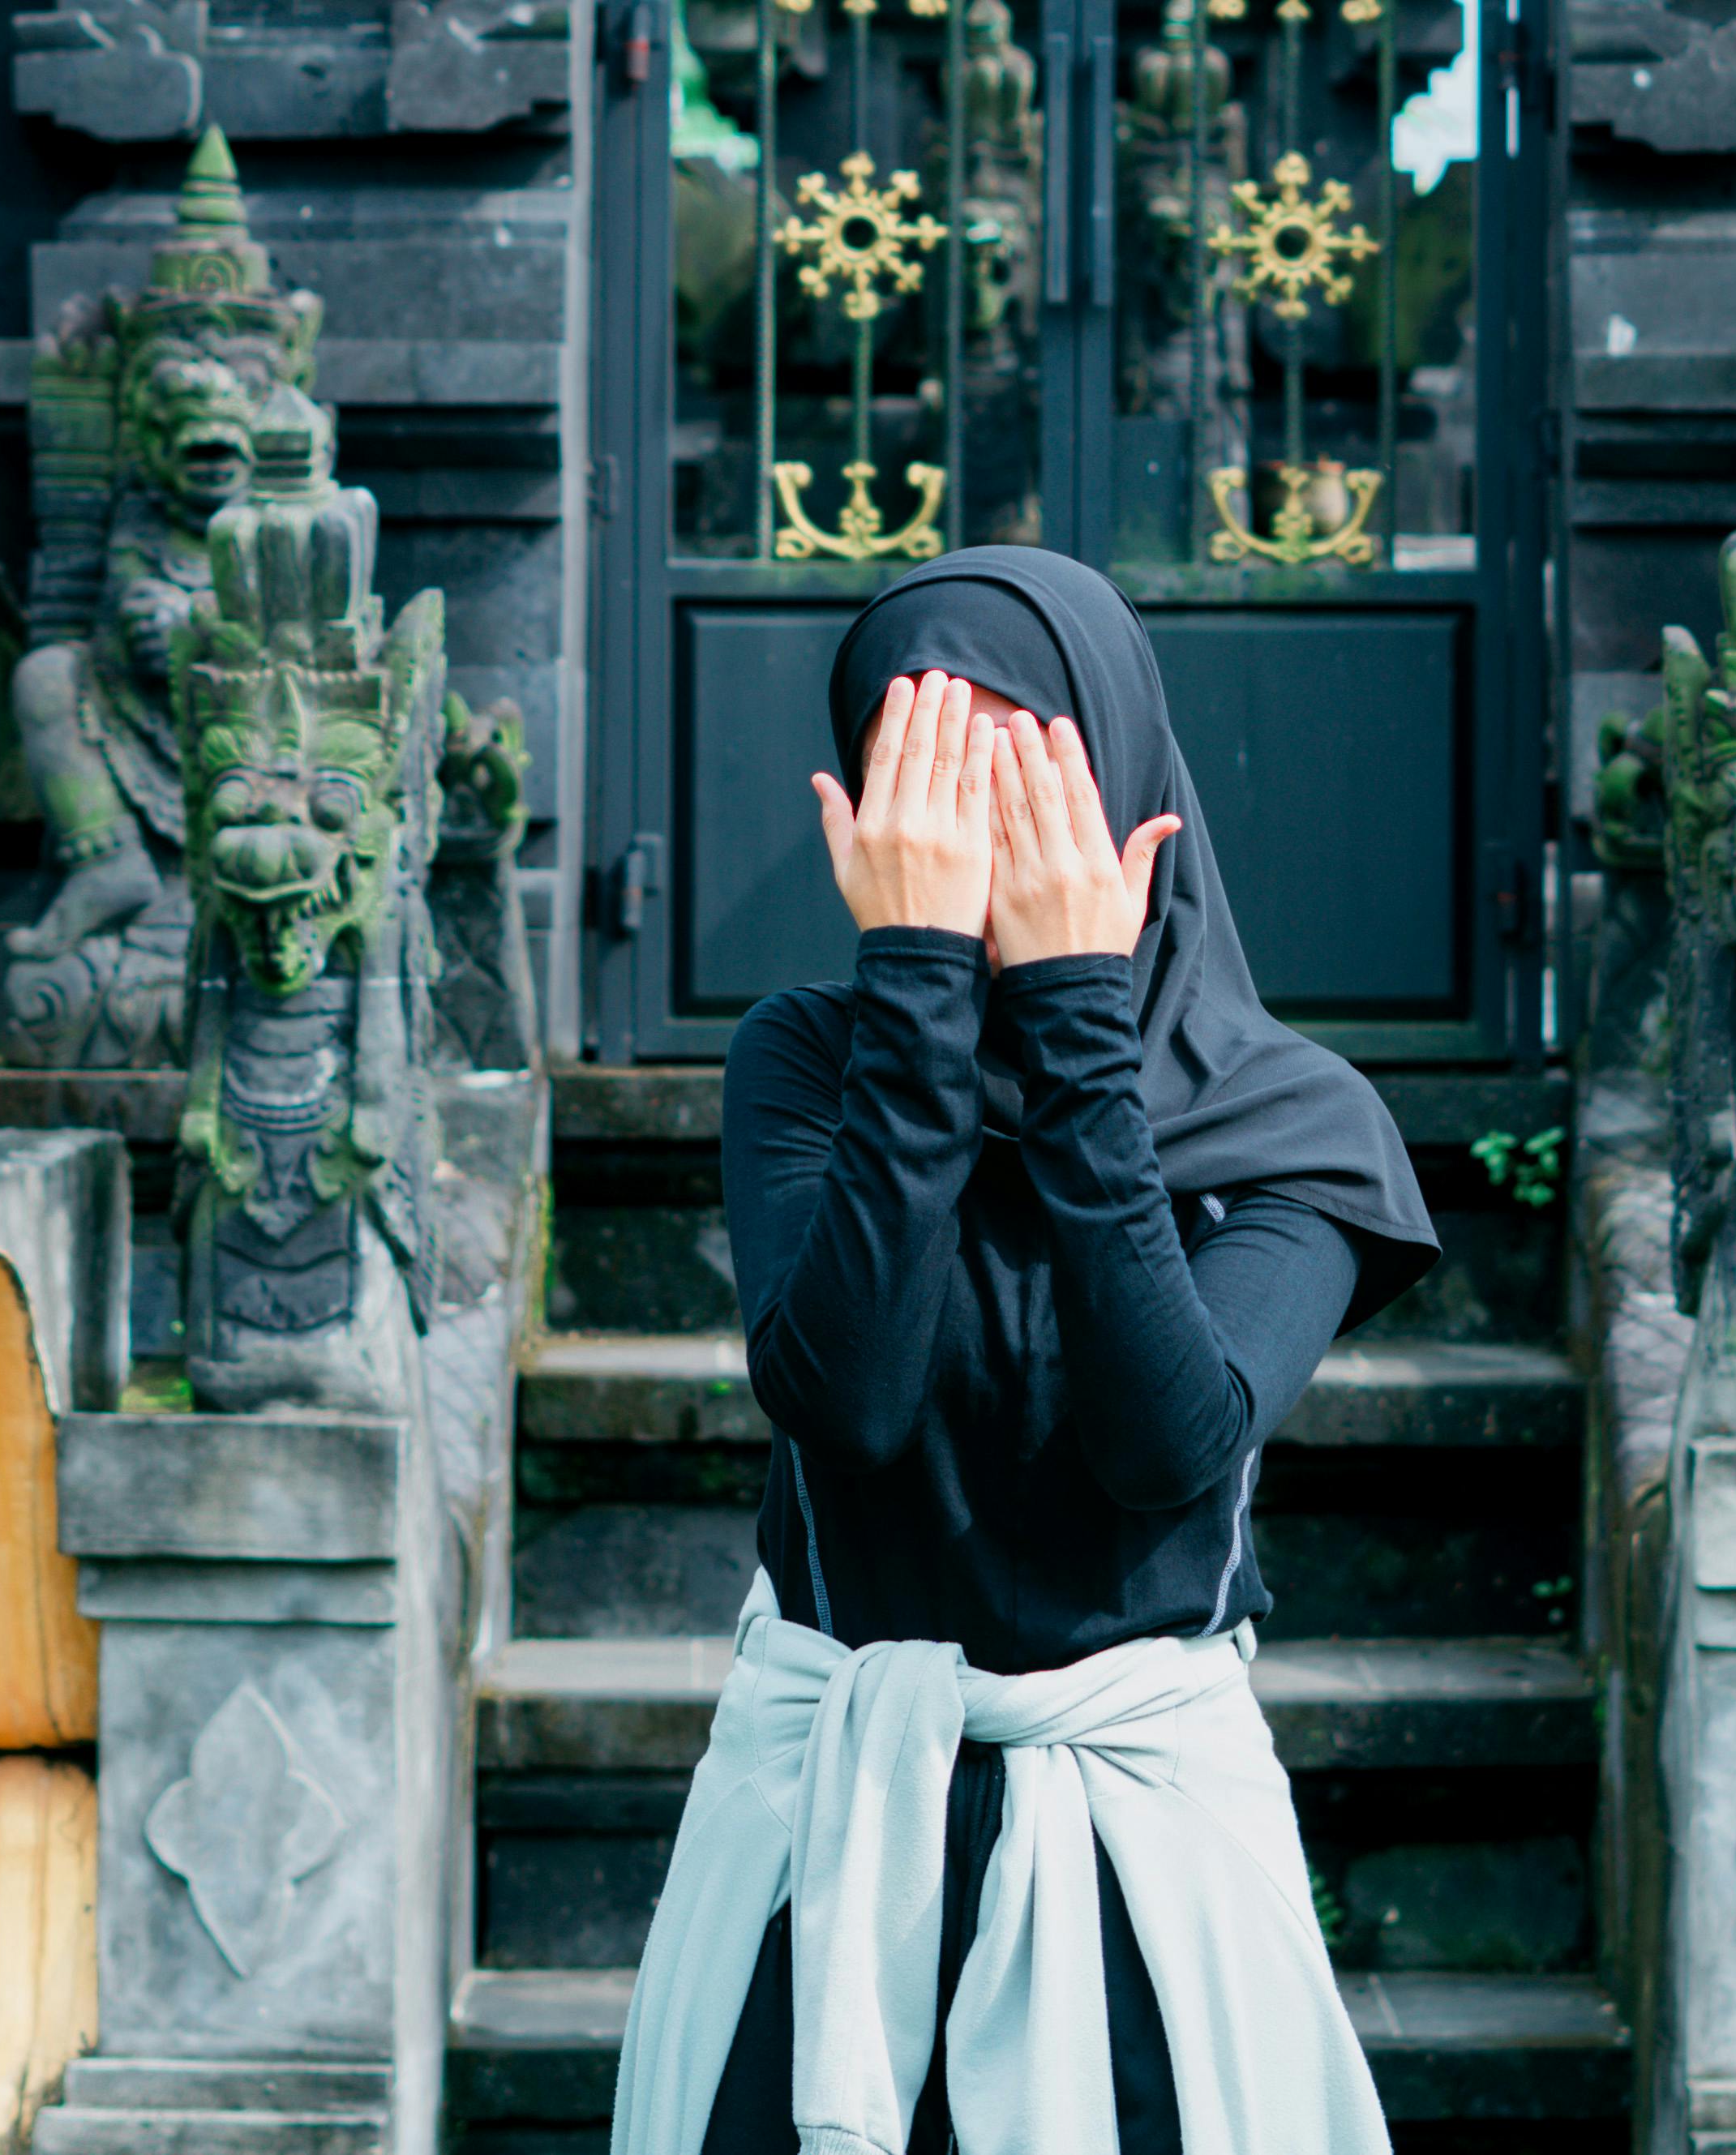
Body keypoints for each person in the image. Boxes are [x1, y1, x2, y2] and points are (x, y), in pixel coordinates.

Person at [607, 548, 1440, 2155]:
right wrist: (918, 990)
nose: (972, 821)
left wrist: (1072, 1019)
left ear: (1124, 779)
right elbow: (843, 1401)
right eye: (921, 762)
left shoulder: (1292, 1128)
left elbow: (1163, 1446)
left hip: (1138, 1859)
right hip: (826, 1830)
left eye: (1018, 761)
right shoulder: (805, 1060)